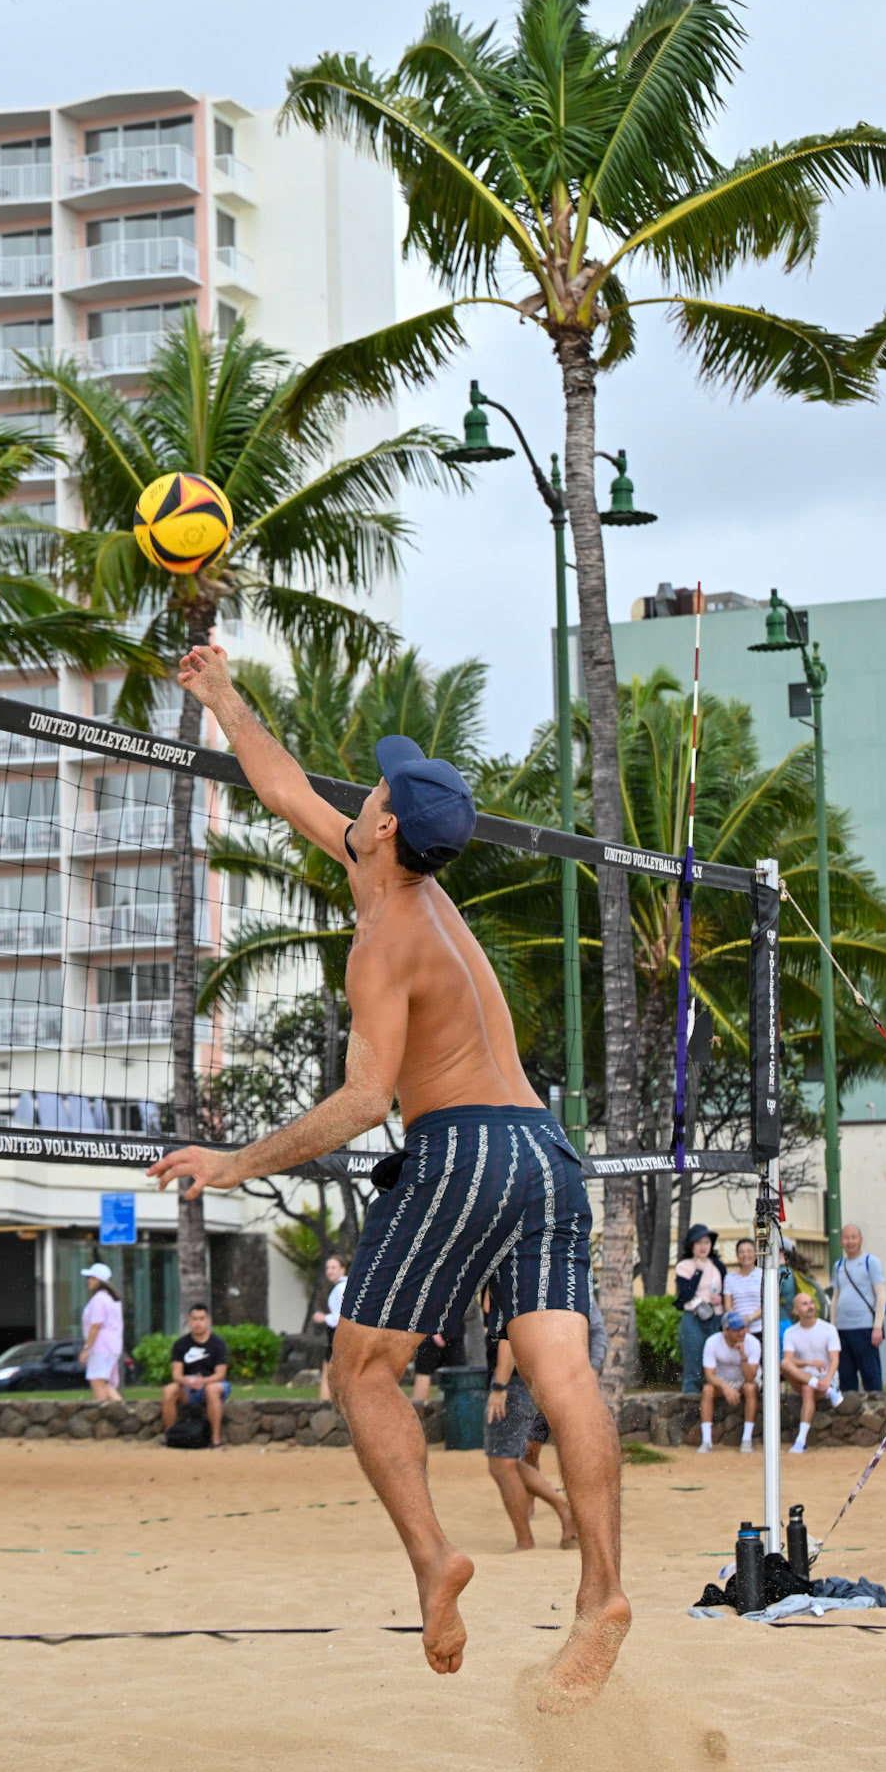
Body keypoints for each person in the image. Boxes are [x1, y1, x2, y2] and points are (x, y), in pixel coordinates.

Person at [149, 644, 628, 1706]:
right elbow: (281, 786)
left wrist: (236, 1160)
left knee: (360, 1369)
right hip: (547, 1151)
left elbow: (368, 1098)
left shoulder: (386, 940)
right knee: (565, 1369)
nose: (355, 796)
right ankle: (602, 1594)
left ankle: (432, 1558)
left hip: (464, 1148)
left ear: (384, 828)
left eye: (369, 792)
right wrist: (225, 698)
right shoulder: (411, 890)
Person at [484, 1277, 606, 1551]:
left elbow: (509, 1338)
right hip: (516, 1381)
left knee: (502, 1463)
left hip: (513, 1382)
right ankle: (562, 1511)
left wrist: (500, 1385)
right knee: (511, 1460)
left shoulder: (510, 1277)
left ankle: (529, 1537)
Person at [161, 1303, 230, 1448]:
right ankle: (171, 1437)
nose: (198, 1323)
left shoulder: (218, 1344)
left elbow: (221, 1374)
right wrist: (186, 1381)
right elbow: (176, 1374)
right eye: (195, 1319)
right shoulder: (180, 1344)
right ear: (189, 1321)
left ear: (208, 1320)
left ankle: (215, 1440)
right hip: (189, 1388)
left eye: (201, 1319)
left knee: (211, 1389)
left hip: (213, 1384)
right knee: (169, 1390)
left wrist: (203, 1381)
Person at [781, 1292, 842, 1452]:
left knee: (808, 1389)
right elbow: (789, 1360)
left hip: (825, 1378)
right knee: (784, 1363)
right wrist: (809, 1363)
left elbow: (835, 1359)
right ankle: (829, 1391)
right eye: (804, 1304)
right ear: (795, 1311)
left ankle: (801, 1441)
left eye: (811, 1303)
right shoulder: (790, 1332)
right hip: (803, 1378)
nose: (810, 1306)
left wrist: (827, 1380)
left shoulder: (828, 1329)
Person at [830, 1223, 886, 1392]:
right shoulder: (838, 1266)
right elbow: (835, 1297)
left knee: (871, 1375)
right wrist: (832, 1326)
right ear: (841, 1241)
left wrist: (877, 1326)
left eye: (853, 1237)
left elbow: (881, 1295)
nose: (850, 1241)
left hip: (865, 1328)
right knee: (846, 1375)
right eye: (846, 1237)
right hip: (843, 1329)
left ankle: (877, 1412)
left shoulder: (871, 1262)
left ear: (860, 1239)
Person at [699, 1311, 761, 1453]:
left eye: (742, 1328)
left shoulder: (753, 1343)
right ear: (725, 1331)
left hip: (745, 1381)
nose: (741, 1332)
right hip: (723, 1383)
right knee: (708, 1389)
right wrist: (726, 1388)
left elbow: (751, 1378)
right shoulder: (712, 1342)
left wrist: (743, 1356)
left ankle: (746, 1439)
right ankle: (706, 1441)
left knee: (750, 1388)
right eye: (736, 1329)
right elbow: (709, 1375)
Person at [674, 1225, 726, 1394]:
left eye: (706, 1242)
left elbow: (728, 1290)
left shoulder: (718, 1265)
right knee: (693, 1366)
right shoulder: (684, 1266)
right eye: (699, 1243)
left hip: (716, 1318)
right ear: (691, 1245)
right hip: (693, 1318)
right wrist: (698, 1271)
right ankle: (690, 1407)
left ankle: (715, 1407)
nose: (703, 1246)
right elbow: (686, 1294)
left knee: (716, 1366)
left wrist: (722, 1298)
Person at [79, 1262, 124, 1402]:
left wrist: (86, 1349)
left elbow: (95, 1326)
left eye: (91, 1278)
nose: (89, 1281)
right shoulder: (112, 1299)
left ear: (98, 1280)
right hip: (112, 1347)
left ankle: (116, 1414)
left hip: (100, 1348)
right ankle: (126, 1412)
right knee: (106, 1386)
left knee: (97, 1384)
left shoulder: (99, 1299)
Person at [312, 1253, 347, 1402]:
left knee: (327, 1371)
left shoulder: (340, 1289)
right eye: (328, 1268)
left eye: (333, 1267)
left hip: (337, 1334)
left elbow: (342, 1316)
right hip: (340, 1334)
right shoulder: (345, 1286)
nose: (329, 1271)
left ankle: (324, 1405)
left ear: (342, 1269)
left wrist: (323, 1318)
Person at [410, 1328, 465, 1405]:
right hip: (447, 1328)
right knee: (423, 1373)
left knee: (455, 1375)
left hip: (448, 1329)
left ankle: (453, 1411)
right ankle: (419, 1410)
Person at [723, 1238, 763, 1334]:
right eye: (741, 1252)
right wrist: (740, 1323)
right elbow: (728, 1306)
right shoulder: (729, 1277)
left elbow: (767, 1303)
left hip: (761, 1328)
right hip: (738, 1331)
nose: (745, 1255)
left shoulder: (763, 1275)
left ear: (755, 1254)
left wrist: (749, 1319)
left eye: (749, 1251)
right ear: (737, 1255)